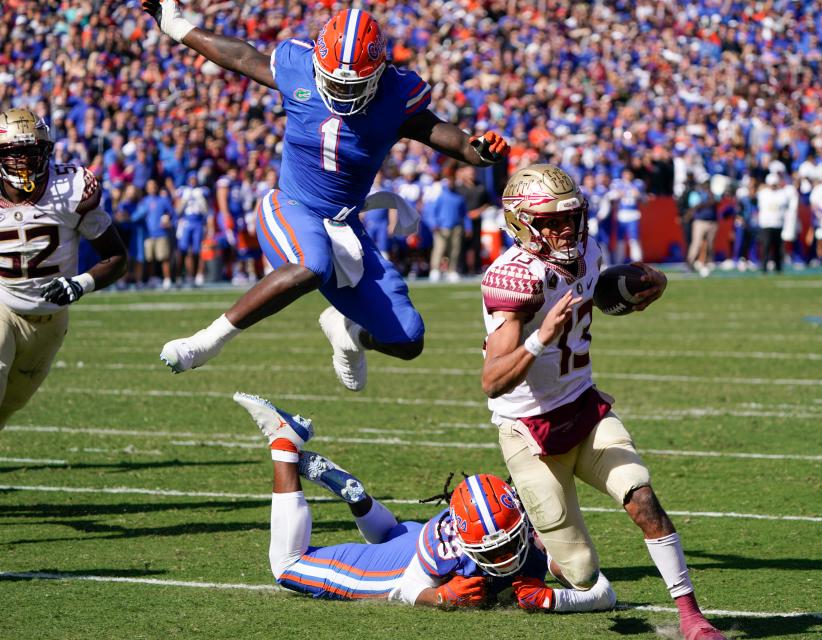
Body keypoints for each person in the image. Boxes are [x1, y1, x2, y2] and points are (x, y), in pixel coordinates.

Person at [144, 2, 509, 391]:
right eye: (333, 80)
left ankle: (349, 331)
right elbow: (238, 55)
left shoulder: (395, 95)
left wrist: (476, 151)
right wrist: (177, 26)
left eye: (351, 85)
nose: (339, 90)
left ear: (379, 71)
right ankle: (207, 341)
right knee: (310, 264)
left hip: (345, 226)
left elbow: (443, 134)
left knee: (406, 339)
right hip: (291, 205)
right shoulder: (296, 66)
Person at [479, 164, 726, 640]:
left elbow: (594, 299)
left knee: (642, 495)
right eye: (551, 221)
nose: (566, 228)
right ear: (522, 224)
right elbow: (492, 380)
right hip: (528, 429)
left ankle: (691, 615)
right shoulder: (515, 278)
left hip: (584, 408)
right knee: (582, 573)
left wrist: (641, 289)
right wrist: (540, 339)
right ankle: (536, 541)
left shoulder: (588, 251)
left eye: (571, 216)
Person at [234, 391, 617, 612]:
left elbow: (602, 591)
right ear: (462, 537)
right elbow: (410, 587)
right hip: (407, 564)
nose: (504, 559)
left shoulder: (534, 533)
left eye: (507, 543)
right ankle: (285, 443)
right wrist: (440, 596)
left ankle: (360, 501)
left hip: (409, 539)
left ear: (520, 521)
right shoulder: (446, 545)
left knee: (391, 536)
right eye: (493, 549)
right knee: (286, 566)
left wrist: (555, 599)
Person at [0, 108, 127, 427]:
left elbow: (116, 256)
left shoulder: (71, 187)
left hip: (51, 319)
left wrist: (79, 284)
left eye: (33, 151)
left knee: (10, 404)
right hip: (3, 304)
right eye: (16, 153)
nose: (25, 161)